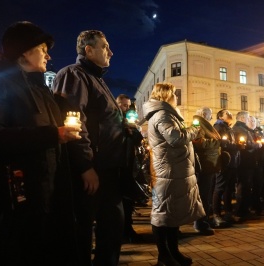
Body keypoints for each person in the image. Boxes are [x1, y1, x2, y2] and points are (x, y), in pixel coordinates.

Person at [0, 21, 81, 266]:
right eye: (42, 48)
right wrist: (54, 135)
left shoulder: (34, 84)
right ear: (24, 52)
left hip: (40, 198)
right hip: (13, 202)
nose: (48, 55)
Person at [53, 29, 126, 265]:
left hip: (107, 167)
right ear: (89, 50)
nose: (111, 52)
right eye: (105, 46)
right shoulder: (74, 75)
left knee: (113, 226)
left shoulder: (96, 78)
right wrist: (85, 166)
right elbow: (74, 122)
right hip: (92, 170)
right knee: (81, 231)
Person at [143, 83, 205, 266]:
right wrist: (195, 130)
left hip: (175, 171)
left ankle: (173, 252)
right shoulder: (162, 115)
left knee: (172, 213)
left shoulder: (167, 114)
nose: (177, 97)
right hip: (167, 172)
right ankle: (163, 256)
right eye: (174, 94)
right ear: (166, 96)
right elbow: (176, 138)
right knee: (162, 214)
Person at [192, 107, 227, 232]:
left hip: (210, 164)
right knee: (203, 195)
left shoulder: (205, 124)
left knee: (207, 194)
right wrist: (217, 142)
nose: (211, 117)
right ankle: (201, 222)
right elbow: (198, 142)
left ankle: (205, 219)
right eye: (210, 115)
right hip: (205, 164)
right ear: (204, 114)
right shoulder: (198, 124)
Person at [116, 94, 145, 243]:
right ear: (117, 104)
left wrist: (133, 129)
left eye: (128, 106)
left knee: (129, 201)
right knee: (120, 201)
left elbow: (139, 140)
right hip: (118, 165)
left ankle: (128, 229)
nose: (126, 108)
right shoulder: (115, 120)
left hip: (130, 165)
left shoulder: (129, 122)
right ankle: (121, 230)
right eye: (124, 105)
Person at [232, 111, 262, 221]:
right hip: (244, 162)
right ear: (243, 118)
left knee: (246, 187)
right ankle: (240, 211)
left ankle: (245, 210)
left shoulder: (243, 129)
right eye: (248, 118)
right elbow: (244, 144)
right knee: (243, 187)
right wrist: (256, 145)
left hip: (248, 161)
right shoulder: (239, 129)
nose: (249, 120)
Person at [212, 109, 239, 225]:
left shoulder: (228, 128)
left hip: (231, 161)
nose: (230, 114)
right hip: (223, 161)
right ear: (221, 117)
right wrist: (235, 145)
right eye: (227, 113)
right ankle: (216, 215)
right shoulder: (218, 127)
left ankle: (228, 213)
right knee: (219, 188)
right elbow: (221, 143)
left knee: (228, 188)